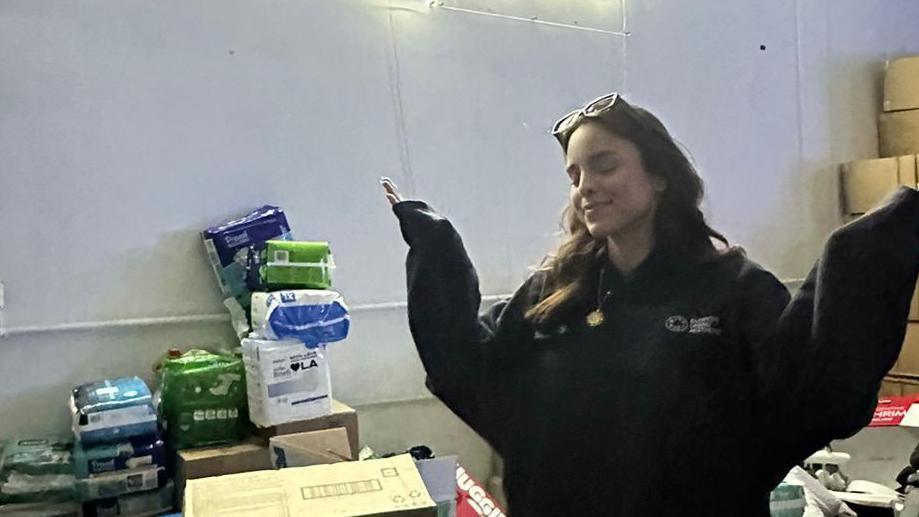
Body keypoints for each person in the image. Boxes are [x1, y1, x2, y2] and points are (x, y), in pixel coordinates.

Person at [382, 92, 919, 516]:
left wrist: (880, 241)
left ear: (660, 176)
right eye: (575, 175)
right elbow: (468, 370)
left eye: (605, 165)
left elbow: (811, 391)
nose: (585, 187)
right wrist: (436, 250)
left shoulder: (734, 291)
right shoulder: (554, 295)